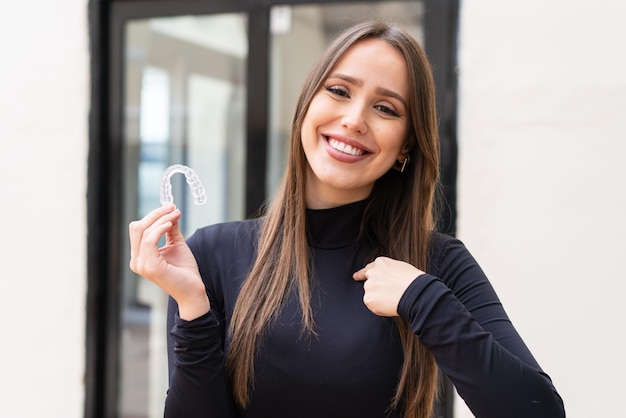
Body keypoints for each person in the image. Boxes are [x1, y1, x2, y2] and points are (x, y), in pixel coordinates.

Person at [129, 20, 565, 418]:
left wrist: (424, 301)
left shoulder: (435, 264)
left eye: (386, 109)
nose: (354, 120)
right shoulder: (211, 255)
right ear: (307, 104)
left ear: (406, 147)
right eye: (339, 91)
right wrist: (192, 307)